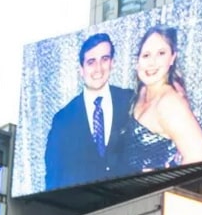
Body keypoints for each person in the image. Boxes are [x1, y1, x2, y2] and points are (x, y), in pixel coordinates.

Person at [43, 31, 135, 189]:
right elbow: (53, 177)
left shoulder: (130, 100)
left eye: (104, 59)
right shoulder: (63, 120)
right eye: (91, 62)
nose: (98, 69)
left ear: (112, 62)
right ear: (81, 69)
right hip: (82, 208)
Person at [125, 24, 202, 173]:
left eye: (161, 53)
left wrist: (165, 185)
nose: (152, 62)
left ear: (172, 58)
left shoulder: (170, 103)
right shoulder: (142, 91)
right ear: (137, 61)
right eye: (146, 55)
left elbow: (201, 156)